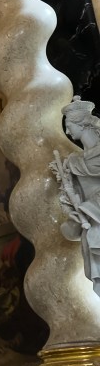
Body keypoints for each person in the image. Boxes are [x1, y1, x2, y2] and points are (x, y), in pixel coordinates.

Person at [55, 96, 100, 296]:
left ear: (81, 124)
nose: (67, 132)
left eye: (69, 125)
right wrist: (73, 212)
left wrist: (86, 208)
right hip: (92, 225)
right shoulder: (73, 161)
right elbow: (73, 197)